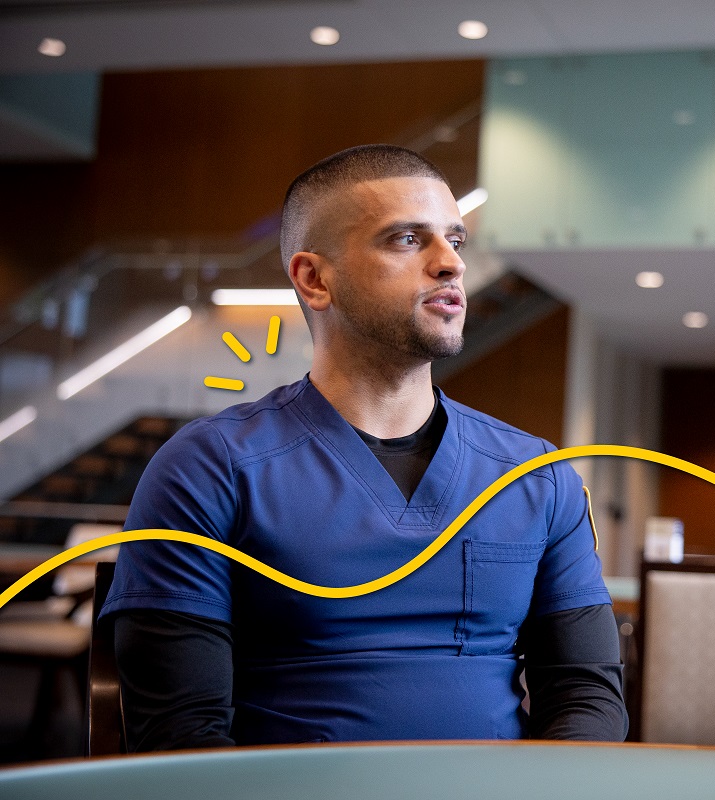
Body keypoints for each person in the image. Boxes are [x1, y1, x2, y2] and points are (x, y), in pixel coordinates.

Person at [99, 144, 627, 750]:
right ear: (314, 279)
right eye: (407, 239)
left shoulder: (537, 476)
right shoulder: (208, 470)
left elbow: (586, 699)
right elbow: (180, 740)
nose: (450, 263)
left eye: (454, 239)